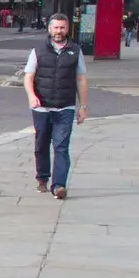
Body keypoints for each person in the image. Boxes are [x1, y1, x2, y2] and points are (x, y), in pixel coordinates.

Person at [23, 13, 87, 201]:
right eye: (56, 27)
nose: (59, 31)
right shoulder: (38, 50)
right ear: (50, 29)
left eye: (62, 27)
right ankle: (42, 177)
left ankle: (59, 185)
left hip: (64, 107)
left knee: (61, 146)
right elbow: (28, 76)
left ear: (67, 29)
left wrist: (83, 106)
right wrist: (31, 96)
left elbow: (81, 79)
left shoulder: (75, 50)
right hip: (41, 107)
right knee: (42, 144)